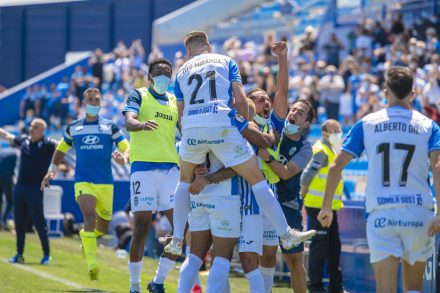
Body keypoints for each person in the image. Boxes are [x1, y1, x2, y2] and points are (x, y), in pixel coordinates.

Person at [167, 30, 315, 261]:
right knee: (257, 179)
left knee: (183, 181)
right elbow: (240, 96)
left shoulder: (181, 73)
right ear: (208, 46)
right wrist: (244, 126)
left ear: (188, 51)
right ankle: (285, 234)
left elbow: (180, 113)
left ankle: (176, 240)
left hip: (192, 127)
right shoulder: (226, 61)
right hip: (222, 124)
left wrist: (192, 138)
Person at [318, 66, 440, 293]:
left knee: (385, 289)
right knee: (414, 288)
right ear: (413, 94)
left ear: (386, 93)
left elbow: (336, 166)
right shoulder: (429, 126)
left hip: (381, 213)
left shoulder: (367, 123)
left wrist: (326, 207)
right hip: (418, 211)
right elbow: (438, 167)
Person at [41, 88, 130, 280]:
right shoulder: (74, 127)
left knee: (103, 228)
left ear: (100, 103)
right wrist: (51, 169)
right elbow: (61, 149)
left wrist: (123, 156)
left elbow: (125, 146)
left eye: (96, 100)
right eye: (90, 99)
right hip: (83, 181)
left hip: (106, 183)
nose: (93, 102)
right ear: (84, 102)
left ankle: (86, 236)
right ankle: (92, 265)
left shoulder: (110, 126)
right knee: (89, 217)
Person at [122, 58, 180, 293]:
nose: (164, 77)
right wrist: (141, 124)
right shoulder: (139, 95)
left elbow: (185, 129)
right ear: (150, 76)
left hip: (171, 170)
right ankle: (134, 286)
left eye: (167, 73)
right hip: (143, 169)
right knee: (142, 227)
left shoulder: (176, 101)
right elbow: (128, 121)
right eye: (159, 73)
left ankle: (158, 281)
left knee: (180, 229)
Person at [257, 99, 315, 293]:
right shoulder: (273, 131)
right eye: (294, 109)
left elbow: (285, 173)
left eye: (301, 113)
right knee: (266, 255)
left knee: (294, 261)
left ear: (306, 124)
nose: (294, 113)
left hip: (288, 204)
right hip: (264, 198)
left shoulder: (305, 148)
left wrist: (269, 158)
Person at [0, 119, 56, 265]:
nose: (31, 128)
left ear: (42, 130)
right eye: (31, 126)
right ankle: (19, 253)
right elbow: (7, 136)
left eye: (35, 127)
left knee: (39, 222)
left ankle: (46, 254)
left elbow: (63, 146)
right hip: (20, 187)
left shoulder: (48, 143)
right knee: (19, 222)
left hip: (36, 188)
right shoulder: (24, 140)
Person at [301, 119, 344, 293]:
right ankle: (315, 286)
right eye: (335, 131)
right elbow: (307, 176)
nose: (339, 134)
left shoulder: (330, 150)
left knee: (334, 246)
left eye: (340, 131)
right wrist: (300, 198)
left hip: (329, 207)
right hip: (318, 207)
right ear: (325, 133)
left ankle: (336, 286)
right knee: (319, 247)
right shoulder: (321, 150)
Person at [0, 148, 17, 229]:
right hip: (7, 177)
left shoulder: (3, 151)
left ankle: (1, 221)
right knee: (10, 201)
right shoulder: (17, 152)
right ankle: (2, 221)